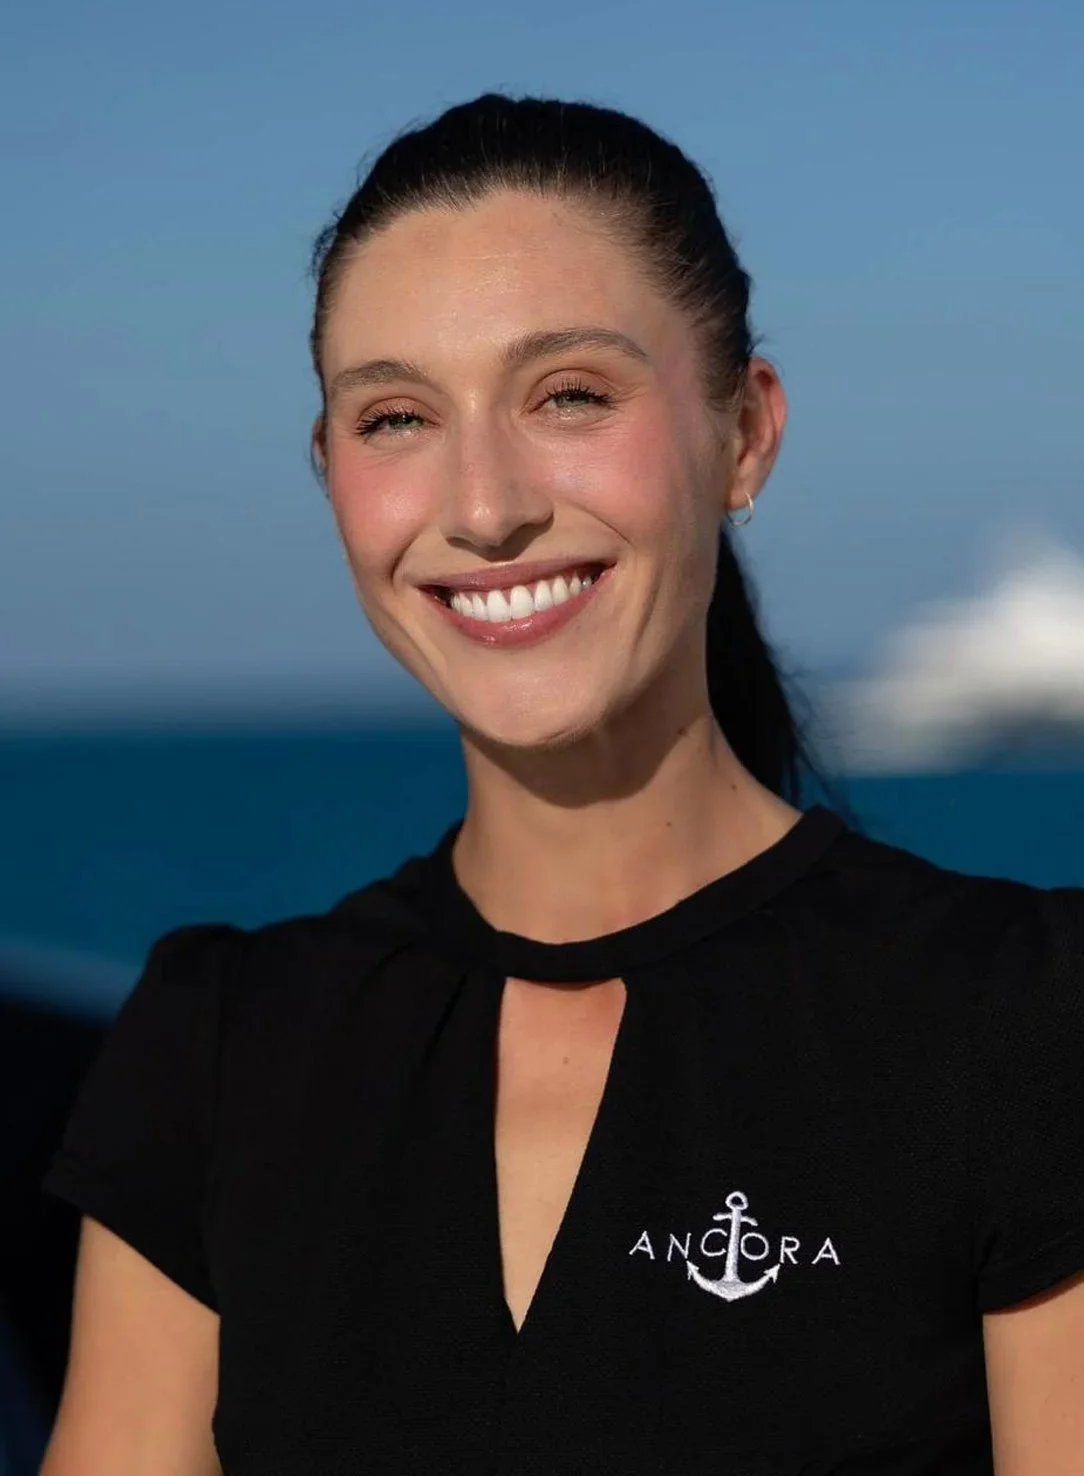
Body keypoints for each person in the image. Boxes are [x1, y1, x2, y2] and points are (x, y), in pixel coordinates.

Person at [40, 94, 1084, 1476]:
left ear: (746, 435)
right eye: (398, 416)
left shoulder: (1021, 1019)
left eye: (570, 395)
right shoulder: (220, 1047)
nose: (482, 503)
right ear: (330, 474)